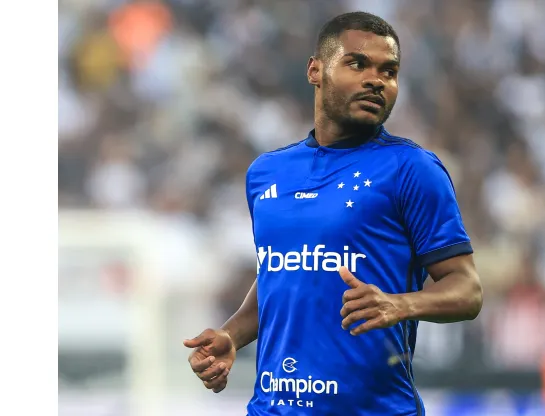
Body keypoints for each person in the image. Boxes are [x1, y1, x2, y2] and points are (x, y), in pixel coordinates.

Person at [184, 11, 483, 416]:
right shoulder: (266, 173)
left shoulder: (412, 169)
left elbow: (467, 289)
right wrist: (231, 335)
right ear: (315, 70)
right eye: (357, 63)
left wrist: (400, 304)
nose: (376, 80)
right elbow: (282, 272)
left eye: (389, 71)